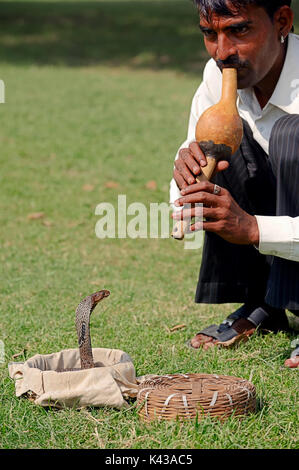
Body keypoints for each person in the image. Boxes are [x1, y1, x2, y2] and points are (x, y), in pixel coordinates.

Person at [169, 0, 299, 368]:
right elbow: (184, 188)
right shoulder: (219, 75)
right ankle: (265, 303)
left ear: (282, 21)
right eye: (210, 34)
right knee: (217, 148)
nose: (223, 52)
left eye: (239, 30)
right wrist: (188, 181)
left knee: (292, 137)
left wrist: (253, 228)